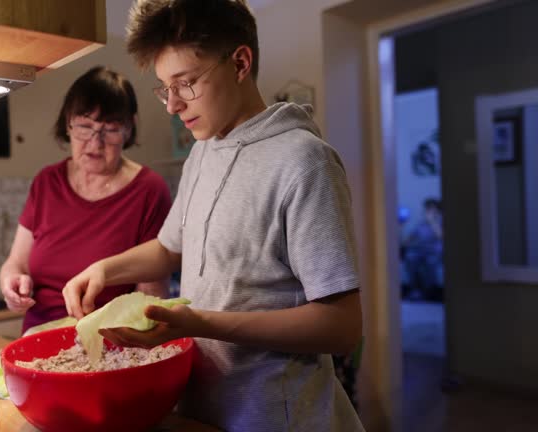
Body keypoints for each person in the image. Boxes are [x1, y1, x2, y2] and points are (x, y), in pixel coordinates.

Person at [62, 1, 365, 431]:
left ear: (240, 62)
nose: (171, 105)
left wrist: (199, 323)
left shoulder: (304, 161)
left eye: (185, 84)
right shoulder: (203, 151)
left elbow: (340, 327)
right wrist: (104, 269)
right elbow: (171, 247)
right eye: (165, 87)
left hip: (277, 415)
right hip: (205, 406)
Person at [0, 66, 172, 334]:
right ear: (67, 124)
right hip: (37, 339)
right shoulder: (47, 182)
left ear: (129, 129)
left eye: (110, 129)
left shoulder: (149, 190)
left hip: (108, 343)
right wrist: (11, 282)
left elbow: (151, 297)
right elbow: (16, 263)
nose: (95, 142)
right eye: (84, 126)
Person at [402, 198, 444, 300]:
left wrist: (432, 222)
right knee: (410, 257)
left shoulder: (440, 222)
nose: (428, 212)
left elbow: (440, 236)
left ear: (437, 210)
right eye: (427, 209)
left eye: (431, 209)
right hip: (420, 251)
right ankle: (415, 290)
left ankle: (430, 291)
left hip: (434, 252)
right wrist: (401, 227)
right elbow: (406, 241)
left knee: (431, 262)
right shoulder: (421, 224)